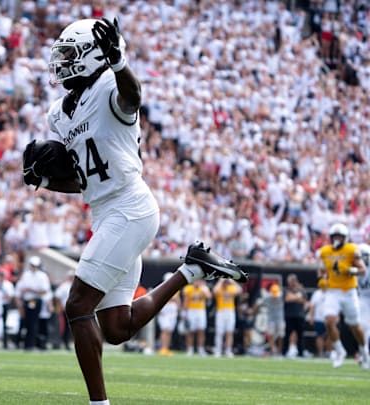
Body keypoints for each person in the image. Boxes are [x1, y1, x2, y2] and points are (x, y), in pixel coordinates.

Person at [22, 18, 247, 404]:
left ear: (92, 57)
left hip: (130, 206)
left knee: (77, 304)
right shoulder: (58, 113)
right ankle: (191, 268)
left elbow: (133, 97)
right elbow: (83, 178)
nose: (60, 63)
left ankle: (99, 404)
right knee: (116, 327)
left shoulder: (111, 84)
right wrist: (44, 181)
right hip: (107, 210)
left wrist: (119, 62)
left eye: (69, 55)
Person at [317, 223, 369, 369]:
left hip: (349, 290)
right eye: (335, 236)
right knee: (328, 321)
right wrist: (322, 280)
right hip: (333, 291)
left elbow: (362, 270)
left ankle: (364, 351)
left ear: (345, 238)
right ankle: (339, 351)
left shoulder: (351, 249)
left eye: (340, 236)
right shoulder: (326, 251)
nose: (337, 239)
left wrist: (349, 270)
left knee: (354, 325)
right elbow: (321, 270)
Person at [14, 256, 51, 351]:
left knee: (33, 322)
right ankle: (28, 343)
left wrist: (32, 290)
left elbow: (44, 291)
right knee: (28, 322)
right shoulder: (26, 275)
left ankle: (31, 343)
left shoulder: (42, 276)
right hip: (28, 301)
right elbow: (21, 289)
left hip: (35, 300)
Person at [212, 278, 241, 358]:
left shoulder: (231, 288)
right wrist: (220, 281)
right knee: (219, 332)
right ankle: (218, 350)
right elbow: (214, 291)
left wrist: (232, 281)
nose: (225, 283)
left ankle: (228, 350)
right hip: (221, 311)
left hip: (230, 311)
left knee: (229, 332)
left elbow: (239, 290)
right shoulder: (219, 288)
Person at [182, 279, 211, 357]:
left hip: (200, 311)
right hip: (191, 311)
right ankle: (190, 349)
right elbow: (186, 301)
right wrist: (184, 312)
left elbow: (208, 296)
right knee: (190, 331)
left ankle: (200, 349)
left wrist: (203, 288)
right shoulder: (188, 288)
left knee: (201, 331)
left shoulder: (203, 288)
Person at [283, 273, 307, 358]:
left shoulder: (301, 290)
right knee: (287, 335)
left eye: (294, 281)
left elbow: (303, 301)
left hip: (299, 316)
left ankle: (301, 352)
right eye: (291, 281)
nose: (293, 283)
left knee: (300, 335)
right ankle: (284, 352)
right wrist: (297, 297)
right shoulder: (286, 290)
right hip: (289, 315)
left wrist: (293, 297)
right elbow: (287, 299)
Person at [156, 272, 180, 356]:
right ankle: (162, 348)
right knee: (165, 330)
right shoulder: (162, 288)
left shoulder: (176, 289)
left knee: (169, 331)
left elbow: (177, 300)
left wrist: (178, 310)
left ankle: (166, 348)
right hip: (165, 310)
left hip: (172, 311)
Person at [308, 278, 329, 358]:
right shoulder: (316, 294)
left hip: (328, 318)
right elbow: (312, 306)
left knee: (330, 336)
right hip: (319, 318)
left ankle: (328, 352)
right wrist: (311, 317)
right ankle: (321, 353)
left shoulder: (331, 293)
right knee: (319, 336)